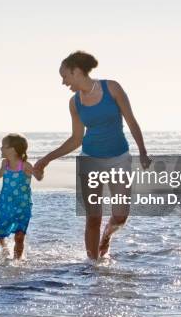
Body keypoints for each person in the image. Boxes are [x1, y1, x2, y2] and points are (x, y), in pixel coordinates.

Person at [34, 51, 151, 260]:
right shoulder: (74, 102)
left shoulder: (111, 88)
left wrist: (142, 151)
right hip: (90, 159)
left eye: (65, 76)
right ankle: (93, 264)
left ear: (76, 71)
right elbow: (76, 139)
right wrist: (46, 159)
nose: (63, 82)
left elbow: (131, 121)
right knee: (93, 217)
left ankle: (107, 235)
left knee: (121, 215)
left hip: (118, 158)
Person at [0, 134, 43, 260]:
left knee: (20, 236)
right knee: (0, 233)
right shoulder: (5, 163)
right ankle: (4, 249)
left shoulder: (25, 165)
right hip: (5, 204)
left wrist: (40, 172)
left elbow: (38, 177)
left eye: (3, 146)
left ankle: (17, 261)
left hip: (23, 206)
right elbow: (0, 173)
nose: (1, 149)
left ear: (13, 149)